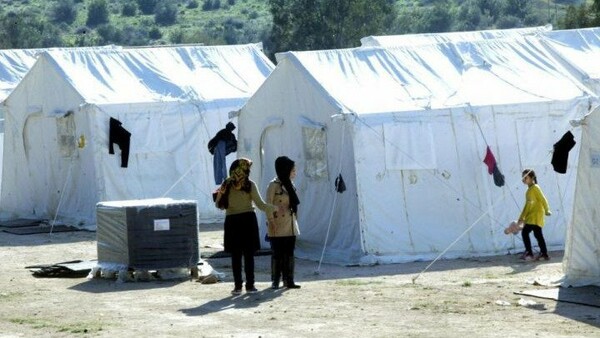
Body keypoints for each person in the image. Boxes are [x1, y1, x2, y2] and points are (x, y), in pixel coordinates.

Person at [215, 158, 275, 295]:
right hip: (248, 221)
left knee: (235, 256)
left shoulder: (226, 185)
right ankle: (250, 285)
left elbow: (218, 204)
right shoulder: (250, 185)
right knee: (249, 255)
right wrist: (275, 208)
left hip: (232, 222)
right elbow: (260, 205)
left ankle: (237, 286)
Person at [266, 156, 301, 289]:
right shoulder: (273, 185)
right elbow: (267, 204)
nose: (294, 173)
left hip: (290, 223)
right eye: (293, 170)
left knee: (290, 252)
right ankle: (275, 280)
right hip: (277, 223)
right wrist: (270, 221)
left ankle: (289, 280)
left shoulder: (290, 185)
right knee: (277, 253)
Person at [517, 169, 551, 261]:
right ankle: (544, 254)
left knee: (525, 232)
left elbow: (543, 199)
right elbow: (527, 206)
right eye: (523, 177)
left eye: (526, 177)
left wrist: (547, 210)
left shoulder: (535, 188)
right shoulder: (529, 191)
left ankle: (529, 252)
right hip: (532, 216)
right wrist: (521, 217)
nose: (524, 179)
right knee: (538, 235)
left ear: (532, 178)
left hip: (536, 216)